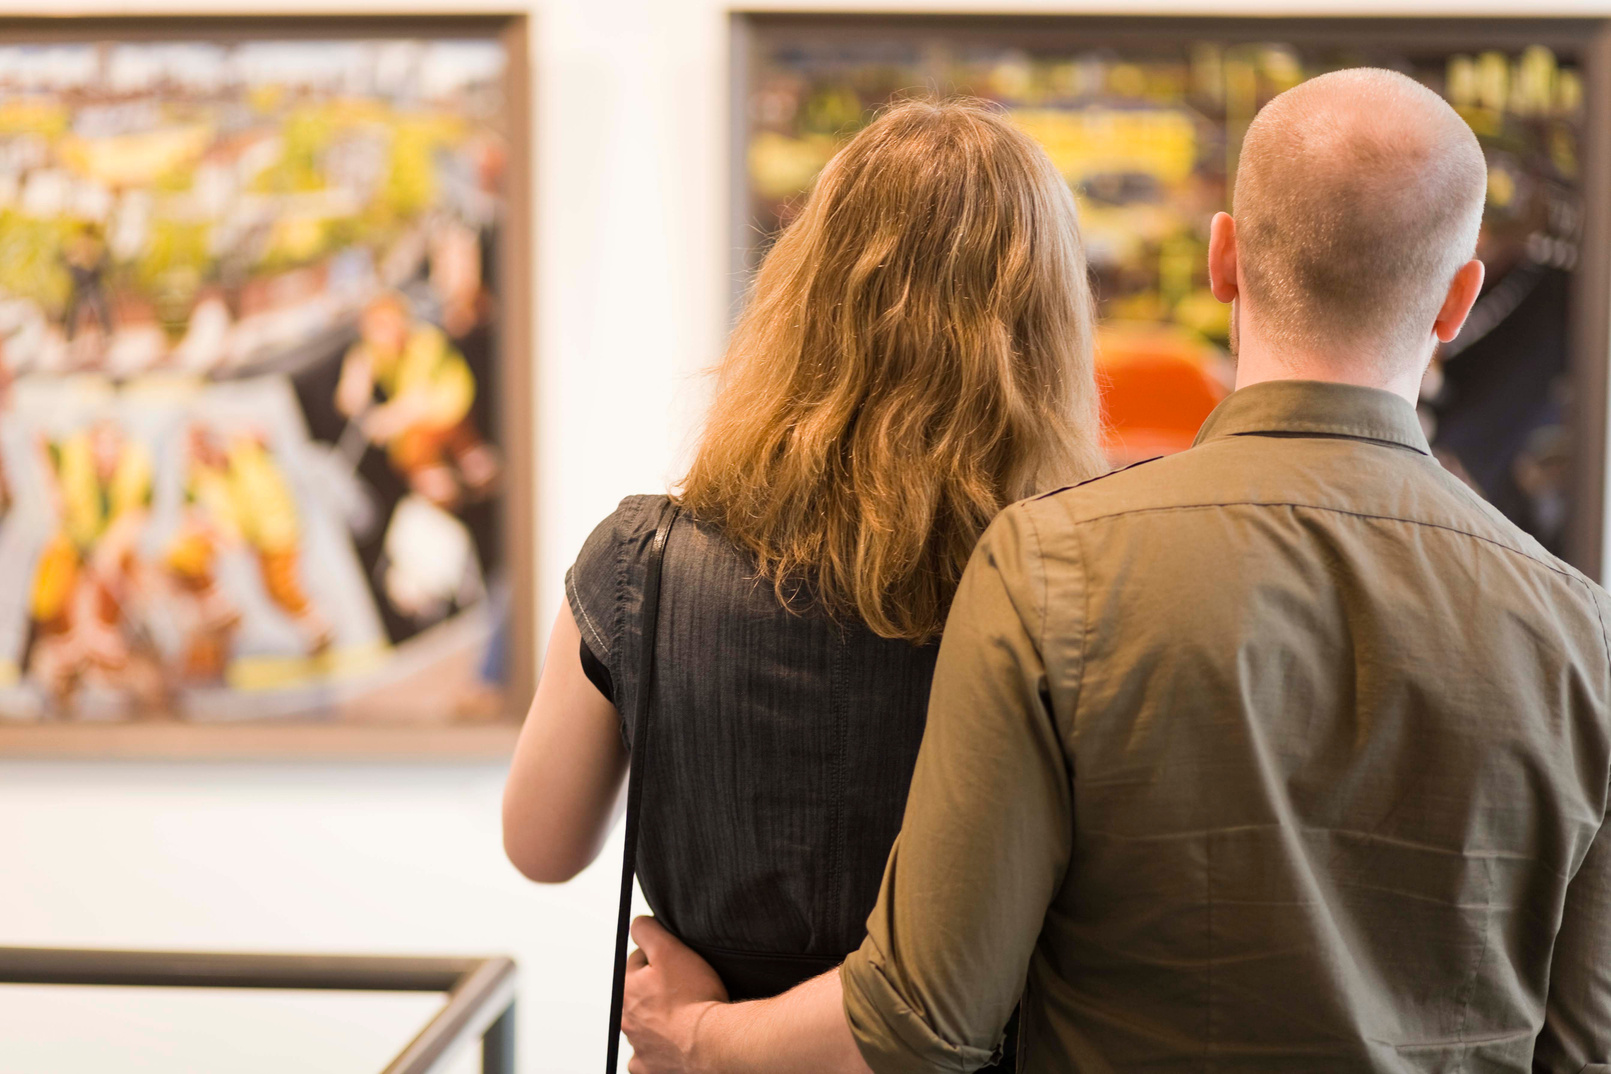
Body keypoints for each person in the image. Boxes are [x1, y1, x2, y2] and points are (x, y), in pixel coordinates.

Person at [620, 68, 1611, 1074]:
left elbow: (923, 1019)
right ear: (1457, 299)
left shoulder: (1053, 567)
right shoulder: (1585, 640)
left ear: (1226, 259)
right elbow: (1586, 1049)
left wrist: (695, 1036)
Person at [501, 98, 1104, 1042]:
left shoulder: (640, 564)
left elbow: (540, 846)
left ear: (803, 289)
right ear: (1043, 330)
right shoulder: (1078, 579)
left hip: (702, 1040)